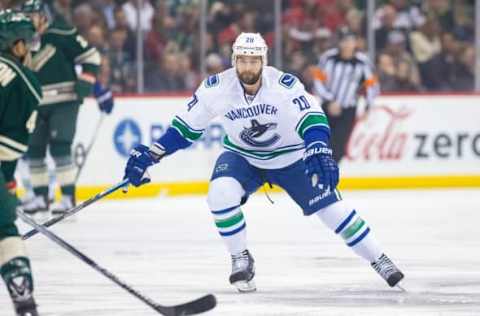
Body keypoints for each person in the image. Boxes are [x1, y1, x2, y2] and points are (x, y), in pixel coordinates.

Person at [122, 32, 404, 293]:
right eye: (242, 59)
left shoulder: (282, 84)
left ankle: (379, 259)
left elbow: (312, 116)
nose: (247, 65)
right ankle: (240, 258)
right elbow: (184, 128)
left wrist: (317, 144)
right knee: (219, 195)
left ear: (263, 61)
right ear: (234, 60)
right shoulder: (216, 88)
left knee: (335, 212)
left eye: (253, 59)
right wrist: (153, 153)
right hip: (243, 156)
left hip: (292, 157)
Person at [20, 0, 109, 218]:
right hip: (35, 102)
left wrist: (87, 81)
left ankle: (68, 196)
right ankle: (41, 196)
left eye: (33, 14)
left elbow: (91, 57)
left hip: (64, 101)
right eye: (27, 15)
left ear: (44, 15)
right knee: (34, 148)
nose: (29, 19)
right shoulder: (20, 40)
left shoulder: (62, 33)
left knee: (60, 146)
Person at [0, 10, 41, 316]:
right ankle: (24, 302)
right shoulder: (24, 83)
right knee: (4, 230)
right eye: (28, 44)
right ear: (16, 46)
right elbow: (8, 148)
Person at [311, 28, 379, 163]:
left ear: (355, 43)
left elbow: (372, 85)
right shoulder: (328, 58)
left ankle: (328, 178)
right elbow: (317, 81)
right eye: (344, 41)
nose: (348, 44)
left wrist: (368, 106)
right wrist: (329, 100)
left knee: (339, 147)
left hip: (348, 109)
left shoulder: (362, 62)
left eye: (351, 41)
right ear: (339, 43)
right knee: (321, 143)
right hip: (327, 108)